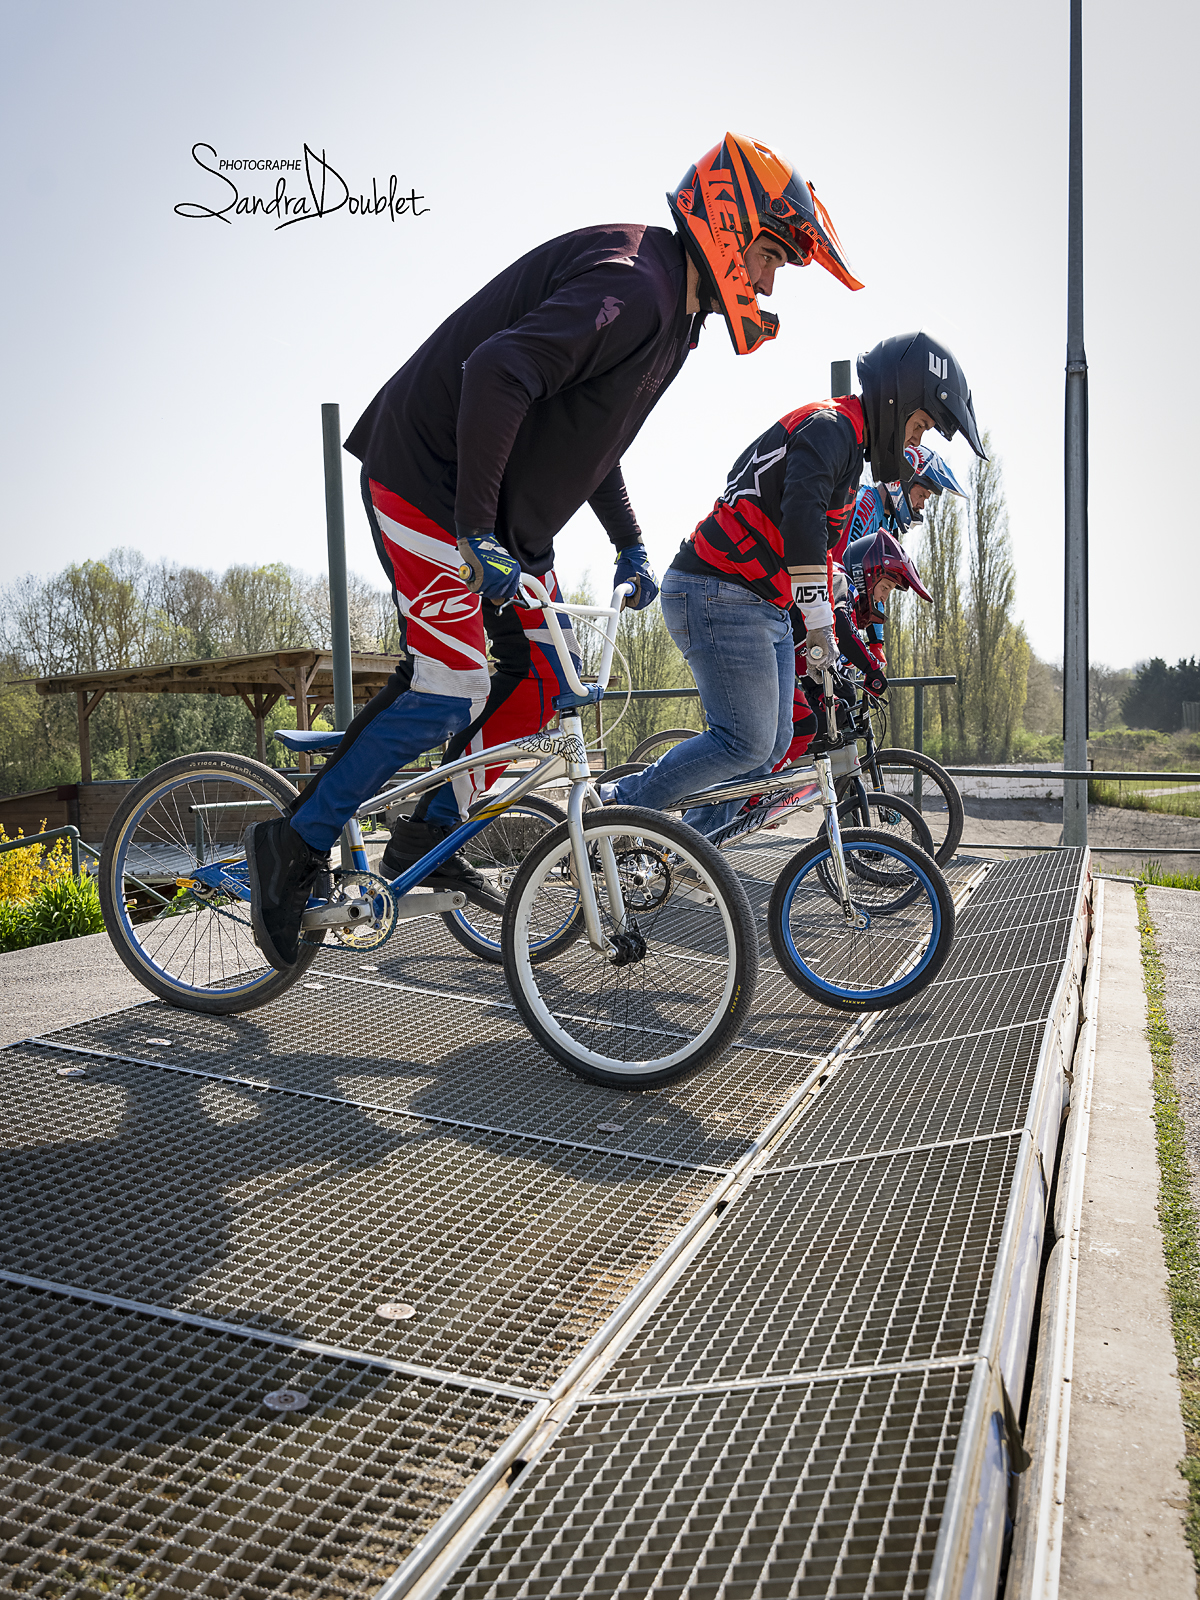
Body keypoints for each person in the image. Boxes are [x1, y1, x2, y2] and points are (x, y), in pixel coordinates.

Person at [245, 135, 863, 971]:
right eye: (770, 256)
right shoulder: (636, 285)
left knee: (544, 683)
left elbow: (592, 437)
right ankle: (293, 842)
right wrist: (475, 533)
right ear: (728, 224)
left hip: (499, 522)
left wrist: (631, 540)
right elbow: (497, 370)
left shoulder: (674, 318)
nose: (765, 281)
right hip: (428, 484)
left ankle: (426, 832)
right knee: (450, 682)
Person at [600, 330, 985, 839]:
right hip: (718, 590)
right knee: (744, 741)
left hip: (761, 604)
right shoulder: (833, 429)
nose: (916, 441)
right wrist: (822, 620)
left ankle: (692, 846)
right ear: (896, 401)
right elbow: (800, 521)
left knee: (780, 741)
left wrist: (839, 618)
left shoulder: (851, 453)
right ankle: (613, 810)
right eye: (919, 425)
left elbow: (823, 552)